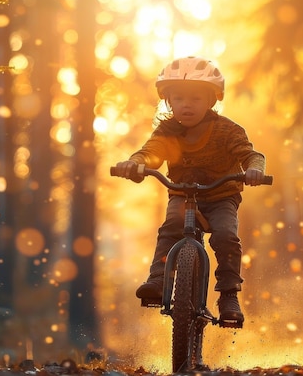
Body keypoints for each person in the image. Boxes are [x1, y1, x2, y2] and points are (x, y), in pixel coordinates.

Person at [113, 56, 267, 328]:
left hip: (221, 197)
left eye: (196, 98)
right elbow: (151, 153)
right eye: (180, 98)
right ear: (168, 101)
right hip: (183, 195)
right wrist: (135, 164)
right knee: (172, 226)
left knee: (225, 235)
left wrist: (254, 169)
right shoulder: (167, 131)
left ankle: (229, 295)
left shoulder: (227, 130)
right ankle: (159, 280)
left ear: (211, 101)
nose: (187, 105)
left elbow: (251, 155)